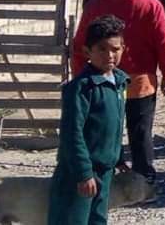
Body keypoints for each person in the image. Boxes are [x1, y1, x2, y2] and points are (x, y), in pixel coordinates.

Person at [72, 0, 165, 190]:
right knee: (140, 133)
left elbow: (79, 45)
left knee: (107, 132)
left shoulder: (95, 5)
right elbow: (163, 44)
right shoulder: (151, 5)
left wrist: (80, 76)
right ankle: (145, 182)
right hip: (141, 84)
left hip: (102, 82)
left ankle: (107, 181)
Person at [49, 15, 129, 225]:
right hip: (79, 173)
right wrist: (83, 173)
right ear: (87, 51)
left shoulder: (118, 82)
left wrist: (118, 156)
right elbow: (72, 133)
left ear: (123, 48)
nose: (109, 55)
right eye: (102, 49)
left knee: (98, 220)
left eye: (115, 49)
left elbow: (115, 125)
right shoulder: (81, 88)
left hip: (105, 171)